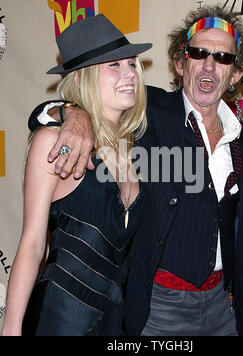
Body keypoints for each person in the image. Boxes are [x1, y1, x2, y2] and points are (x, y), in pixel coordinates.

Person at [26, 6, 243, 336]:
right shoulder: (146, 114)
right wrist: (72, 112)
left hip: (222, 307)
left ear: (237, 73)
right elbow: (85, 101)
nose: (209, 65)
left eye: (223, 58)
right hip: (155, 307)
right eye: (199, 53)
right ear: (180, 63)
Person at [1, 14, 152, 336]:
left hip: (115, 320)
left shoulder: (132, 151)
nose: (129, 75)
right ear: (82, 78)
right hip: (57, 317)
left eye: (131, 65)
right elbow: (32, 242)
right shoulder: (54, 141)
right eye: (114, 65)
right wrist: (11, 329)